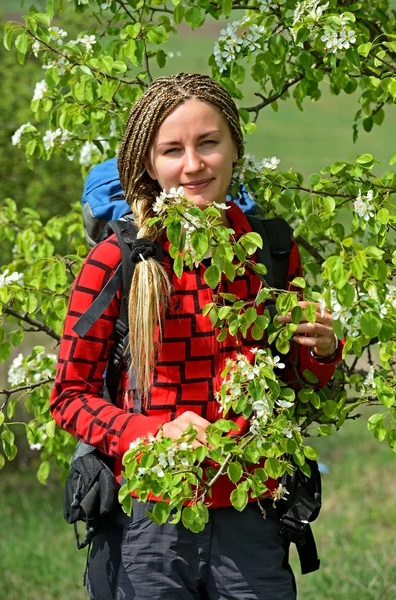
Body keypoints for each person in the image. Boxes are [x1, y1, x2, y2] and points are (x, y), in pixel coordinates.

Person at [50, 72, 342, 600]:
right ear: (147, 163)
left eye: (208, 143)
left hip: (251, 510)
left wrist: (322, 352)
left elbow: (295, 385)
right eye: (172, 150)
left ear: (234, 148)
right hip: (147, 520)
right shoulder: (118, 258)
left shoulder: (270, 251)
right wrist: (151, 433)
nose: (192, 165)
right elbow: (70, 397)